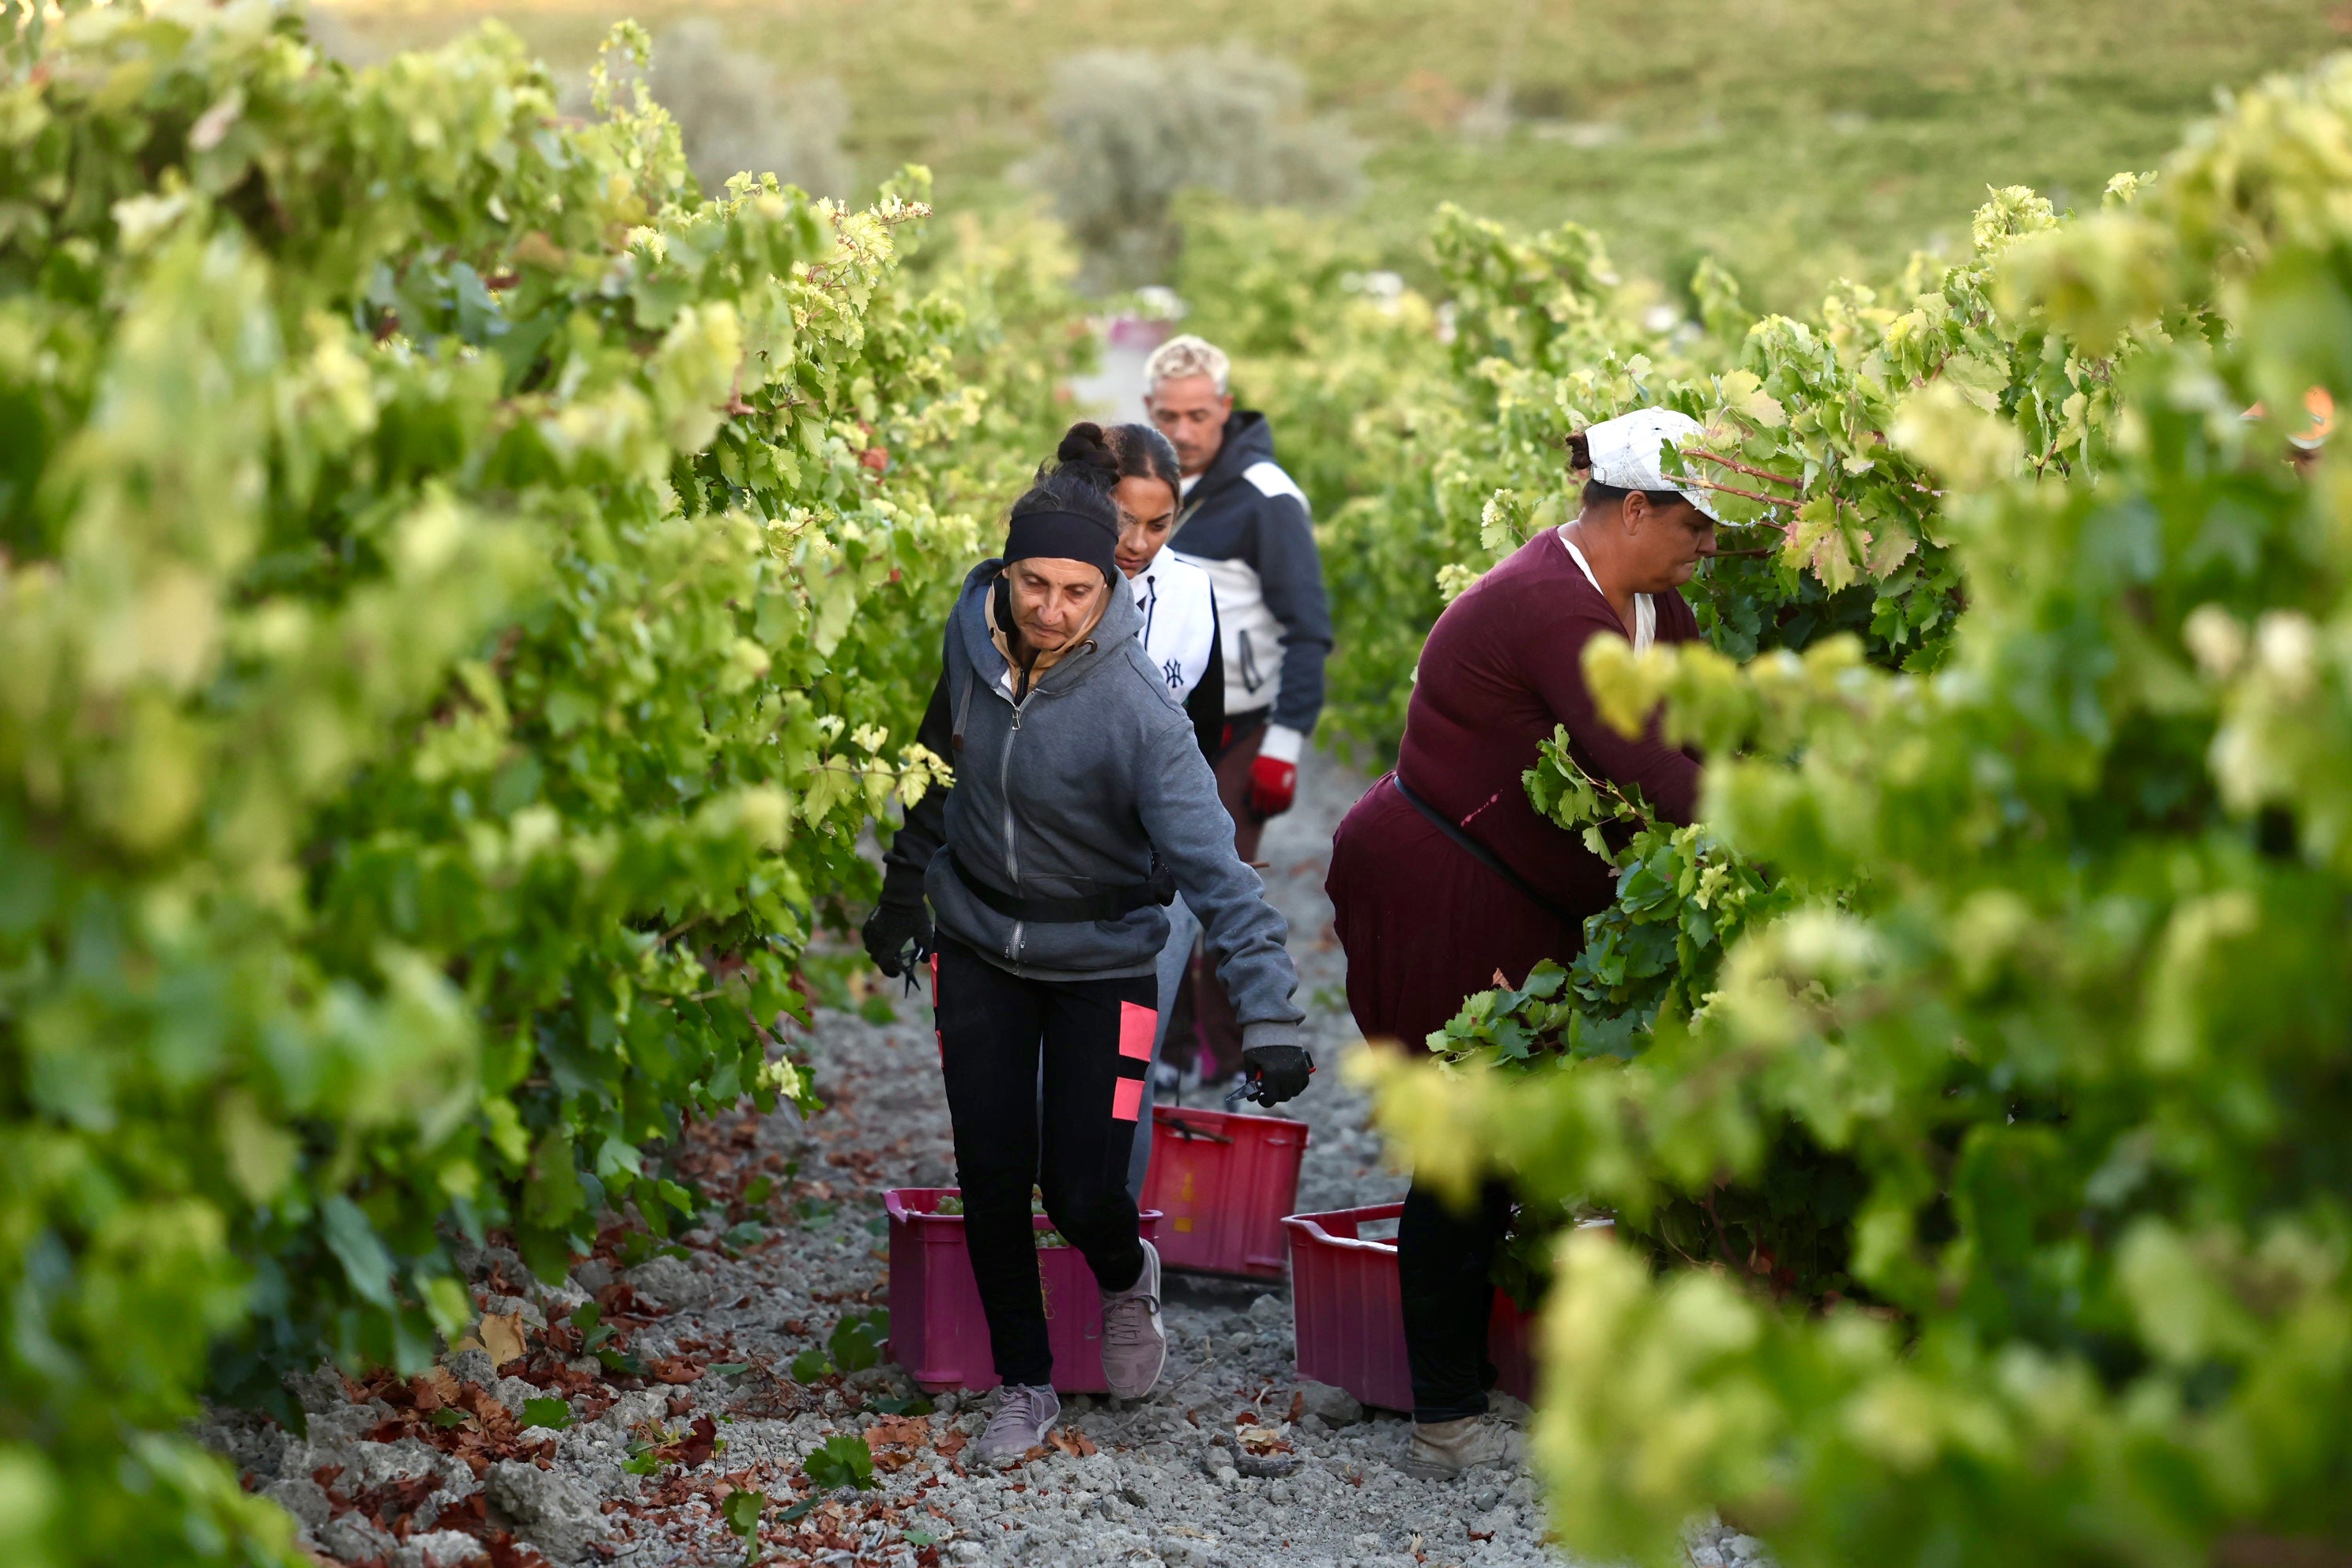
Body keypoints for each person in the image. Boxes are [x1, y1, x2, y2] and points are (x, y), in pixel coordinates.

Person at [860, 424, 1311, 1467]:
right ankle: (1025, 1383)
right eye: (1033, 584)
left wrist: (1272, 1014)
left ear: (1108, 587)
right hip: (981, 944)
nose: (1051, 610)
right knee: (991, 1170)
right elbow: (937, 763)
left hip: (1103, 962)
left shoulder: (1139, 709)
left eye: (1076, 591)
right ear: (1006, 572)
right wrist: (903, 891)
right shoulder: (971, 642)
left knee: (1080, 1188)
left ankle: (1123, 1273)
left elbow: (1219, 872)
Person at [1323, 408, 1721, 1479]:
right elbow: (1653, 769)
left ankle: (1493, 1374)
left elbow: (1706, 733)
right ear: (1630, 509)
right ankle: (1443, 1416)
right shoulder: (1546, 602)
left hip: (1525, 893)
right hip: (1437, 882)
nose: (1705, 547)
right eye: (1692, 525)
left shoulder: (1659, 610)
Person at [1143, 334, 1332, 1090]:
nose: (1183, 430)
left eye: (1198, 414)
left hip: (1238, 731)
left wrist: (1283, 744)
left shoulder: (1267, 497)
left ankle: (1223, 1057)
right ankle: (1164, 1052)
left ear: (1225, 407)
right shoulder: (1142, 487)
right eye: (1168, 415)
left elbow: (1308, 629)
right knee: (1151, 890)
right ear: (1150, 410)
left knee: (1220, 887)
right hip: (1160, 724)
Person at [1099, 423, 1224, 1201]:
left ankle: (1110, 1251)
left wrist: (1181, 860)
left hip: (1156, 879)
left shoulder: (1193, 593)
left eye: (1159, 523)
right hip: (1054, 866)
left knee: (1127, 1074)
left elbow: (1204, 740)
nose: (1139, 543)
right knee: (1041, 1075)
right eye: (1123, 520)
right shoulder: (1048, 584)